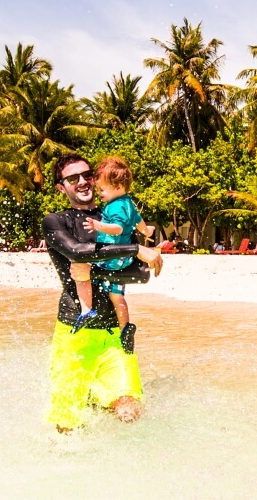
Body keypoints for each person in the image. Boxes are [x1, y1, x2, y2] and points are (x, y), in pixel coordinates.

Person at [41, 154, 163, 432]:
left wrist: (91, 271)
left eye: (87, 175)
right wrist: (134, 249)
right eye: (73, 179)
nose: (83, 182)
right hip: (74, 335)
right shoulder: (55, 222)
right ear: (62, 188)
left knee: (130, 411)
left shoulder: (115, 215)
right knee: (69, 426)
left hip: (114, 334)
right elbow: (75, 251)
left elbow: (138, 274)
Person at [68, 157, 151, 333]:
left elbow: (118, 229)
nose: (99, 192)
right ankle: (124, 329)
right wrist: (147, 232)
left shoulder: (115, 206)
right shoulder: (129, 203)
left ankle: (86, 310)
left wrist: (98, 225)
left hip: (111, 256)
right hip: (124, 260)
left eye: (102, 189)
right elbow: (140, 223)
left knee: (80, 268)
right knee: (116, 294)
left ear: (119, 187)